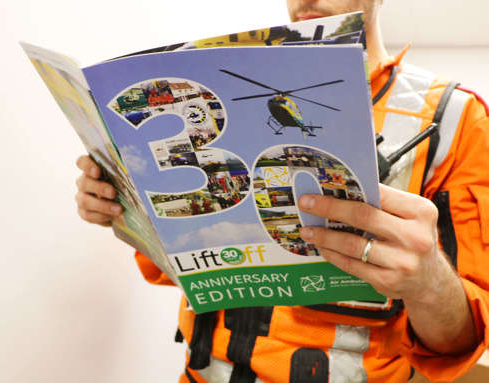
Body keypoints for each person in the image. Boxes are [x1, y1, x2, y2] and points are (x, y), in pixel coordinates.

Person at [74, 0, 489, 382]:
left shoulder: (456, 119)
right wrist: (123, 207)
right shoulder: (225, 93)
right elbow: (182, 269)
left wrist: (428, 282)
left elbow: (460, 340)